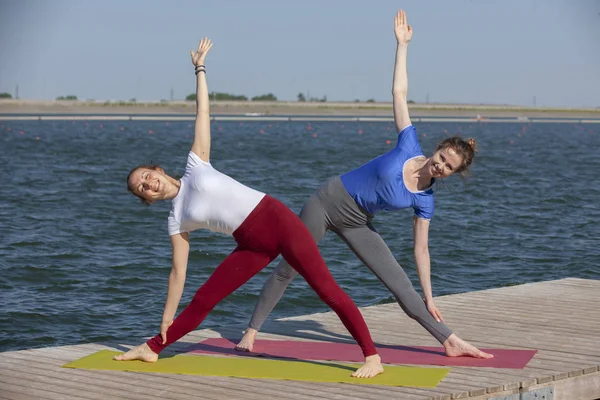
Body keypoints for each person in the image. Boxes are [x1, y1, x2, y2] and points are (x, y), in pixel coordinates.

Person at [113, 37, 384, 378]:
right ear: (147, 199)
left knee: (326, 289)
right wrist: (167, 316)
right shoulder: (176, 219)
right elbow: (178, 272)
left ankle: (372, 356)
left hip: (279, 222)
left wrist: (199, 69)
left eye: (148, 176)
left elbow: (203, 111)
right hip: (252, 243)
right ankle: (152, 348)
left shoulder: (196, 164)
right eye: (142, 188)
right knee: (204, 298)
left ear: (159, 171)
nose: (148, 184)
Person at [235, 10, 493, 360]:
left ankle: (449, 340)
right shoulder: (408, 145)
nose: (441, 165)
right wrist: (402, 46)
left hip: (356, 222)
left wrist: (430, 296)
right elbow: (399, 93)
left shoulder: (426, 200)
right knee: (290, 267)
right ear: (437, 148)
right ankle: (251, 332)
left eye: (448, 167)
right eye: (443, 156)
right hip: (326, 203)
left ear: (451, 173)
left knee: (399, 283)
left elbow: (421, 251)